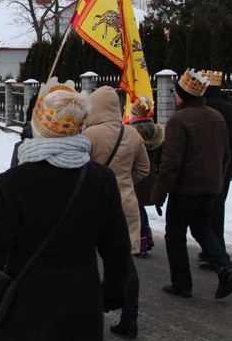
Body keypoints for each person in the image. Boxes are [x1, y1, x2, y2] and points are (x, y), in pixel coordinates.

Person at [0, 77, 131, 341]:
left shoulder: (15, 182)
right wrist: (114, 291)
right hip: (81, 309)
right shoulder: (100, 179)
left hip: (23, 313)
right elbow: (117, 246)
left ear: (37, 128)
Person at [151, 68, 232, 299]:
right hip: (210, 187)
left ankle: (181, 284)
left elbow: (170, 163)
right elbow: (225, 155)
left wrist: (158, 194)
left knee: (175, 235)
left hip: (185, 189)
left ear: (182, 95)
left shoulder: (179, 120)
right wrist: (218, 180)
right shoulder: (216, 117)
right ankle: (225, 267)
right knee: (203, 229)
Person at [83, 86, 149, 339]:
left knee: (86, 259)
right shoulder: (132, 134)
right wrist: (125, 182)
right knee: (125, 262)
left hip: (94, 202)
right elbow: (143, 169)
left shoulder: (89, 135)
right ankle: (130, 318)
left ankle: (88, 315)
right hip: (126, 202)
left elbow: (81, 168)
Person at [200, 70, 232, 269]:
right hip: (226, 164)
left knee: (205, 210)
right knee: (218, 205)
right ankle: (213, 248)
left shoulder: (203, 110)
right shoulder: (229, 108)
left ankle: (215, 252)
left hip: (204, 165)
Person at [128, 96, 163, 259]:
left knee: (137, 209)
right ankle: (147, 237)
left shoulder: (131, 133)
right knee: (140, 208)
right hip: (150, 176)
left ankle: (141, 242)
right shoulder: (157, 132)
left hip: (136, 175)